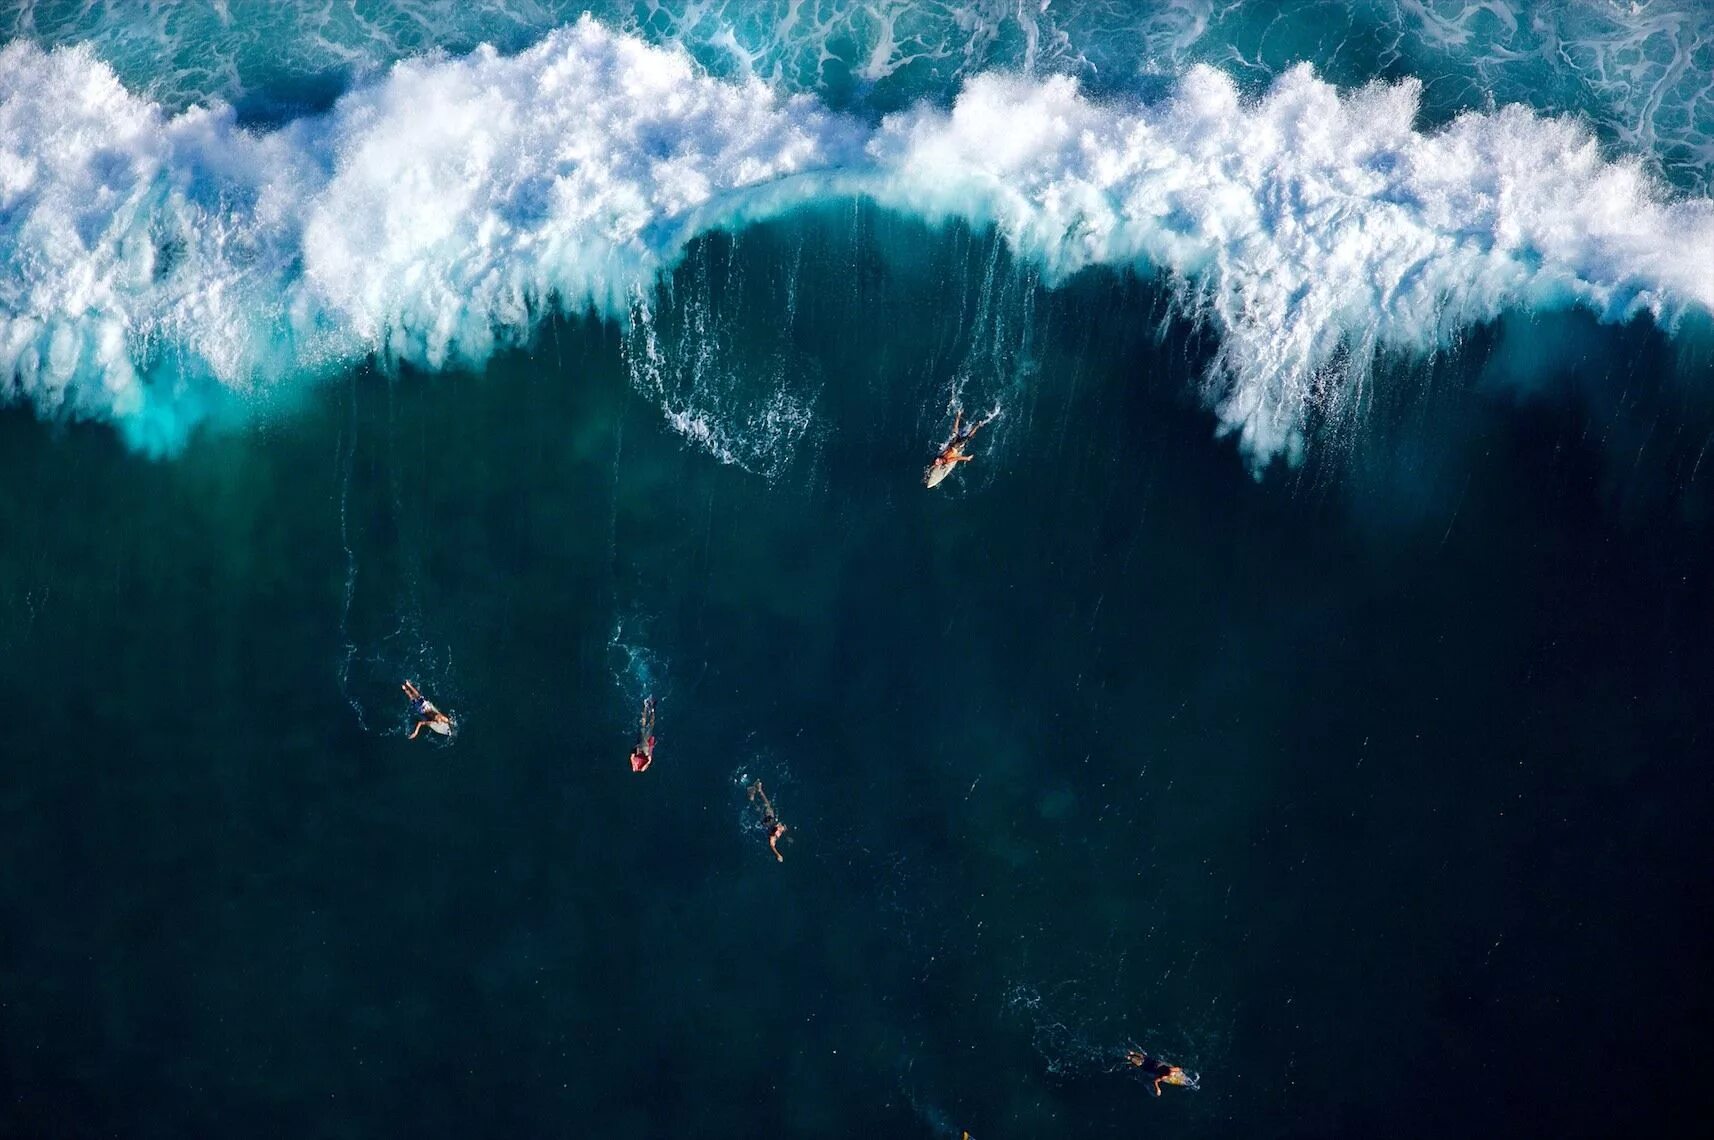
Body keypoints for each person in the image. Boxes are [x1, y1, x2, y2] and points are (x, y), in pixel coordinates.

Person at [924, 406, 1000, 488]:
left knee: (966, 436)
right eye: (937, 461)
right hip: (954, 446)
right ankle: (959, 415)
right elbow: (956, 459)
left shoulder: (944, 459)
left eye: (936, 460)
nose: (936, 460)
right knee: (957, 433)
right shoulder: (946, 459)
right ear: (941, 462)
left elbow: (955, 459)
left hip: (956, 447)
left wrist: (966, 458)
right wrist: (966, 458)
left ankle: (976, 425)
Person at [1125, 1047, 1198, 1096]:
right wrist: (1158, 1089)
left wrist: (1181, 1070)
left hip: (1157, 1064)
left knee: (1145, 1058)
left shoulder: (1171, 1069)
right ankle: (1130, 1058)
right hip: (1153, 1069)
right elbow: (1155, 1081)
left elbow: (1179, 1068)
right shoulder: (1164, 1076)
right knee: (1142, 1064)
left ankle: (1132, 1053)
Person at [747, 779, 788, 862]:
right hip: (768, 821)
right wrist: (778, 854)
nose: (779, 827)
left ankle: (754, 795)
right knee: (766, 806)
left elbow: (772, 846)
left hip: (767, 822)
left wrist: (778, 855)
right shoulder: (775, 835)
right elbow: (772, 846)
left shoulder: (773, 836)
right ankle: (758, 792)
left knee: (764, 807)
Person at [629, 696, 657, 773]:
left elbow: (649, 760)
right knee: (643, 726)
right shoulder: (635, 767)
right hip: (640, 746)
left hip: (645, 748)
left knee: (650, 726)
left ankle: (652, 709)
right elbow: (632, 755)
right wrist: (636, 748)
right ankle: (646, 706)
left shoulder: (638, 768)